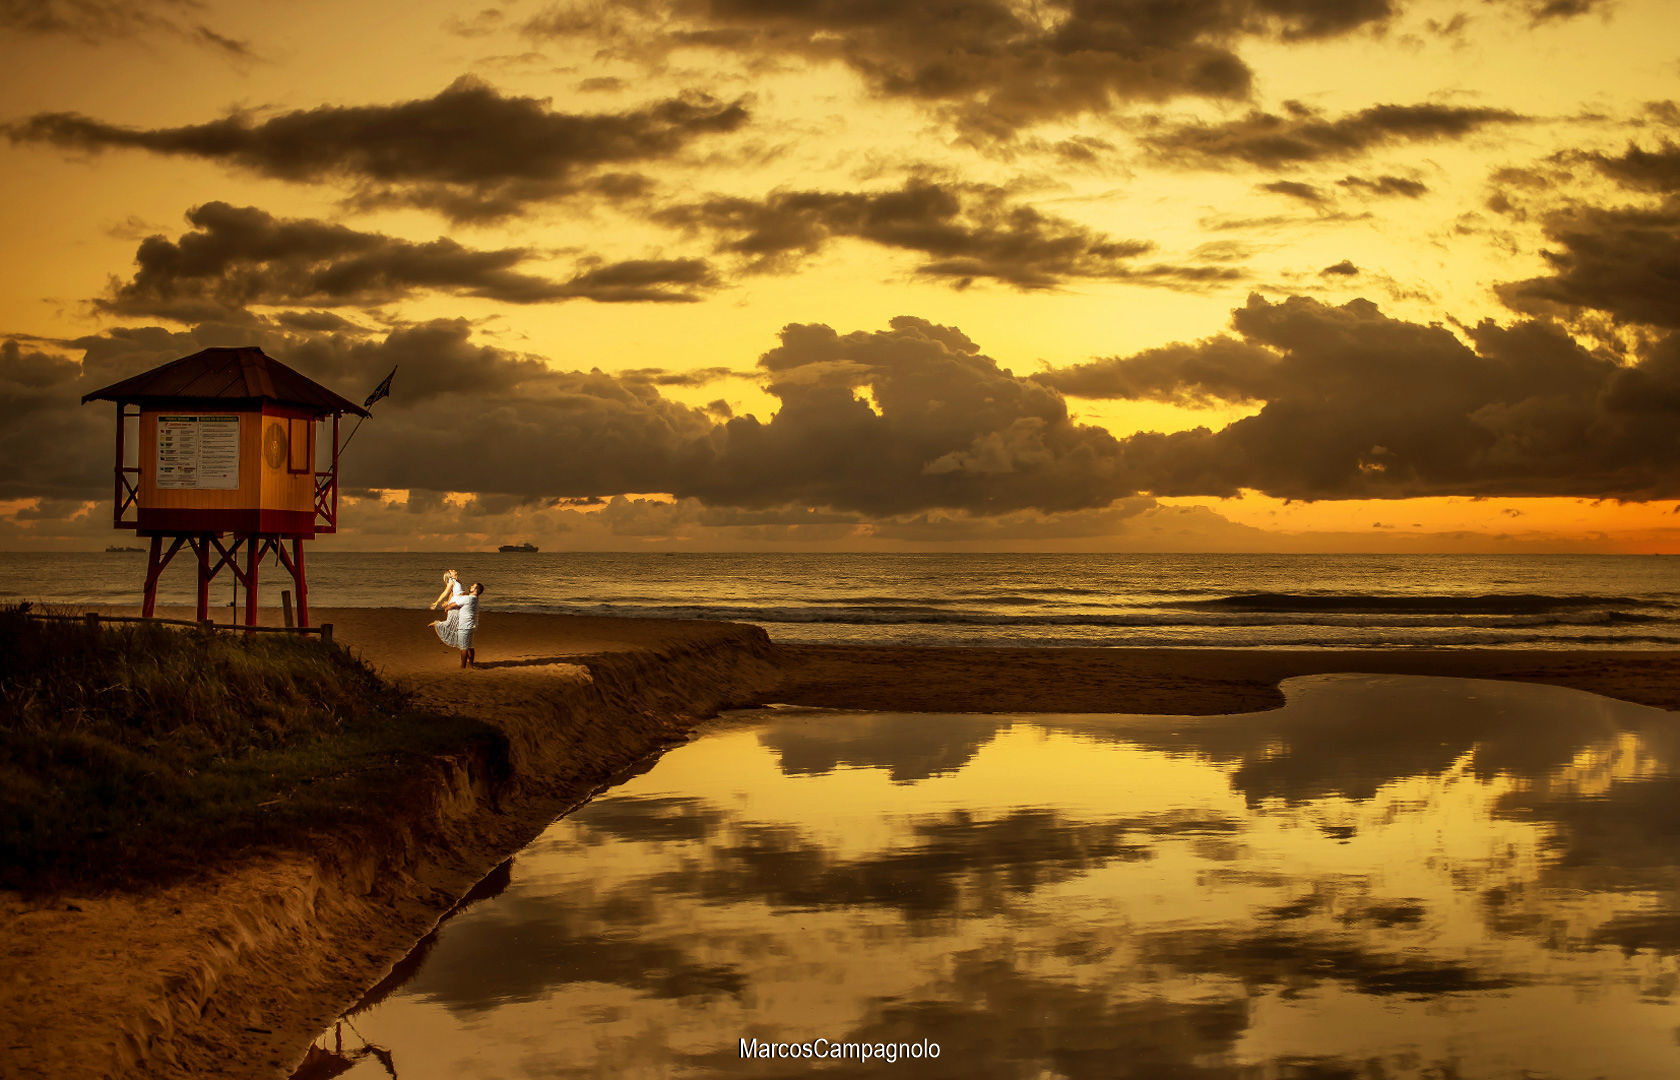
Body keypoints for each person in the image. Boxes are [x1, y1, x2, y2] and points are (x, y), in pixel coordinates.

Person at [431, 582, 484, 668]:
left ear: (475, 590)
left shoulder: (467, 598)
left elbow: (453, 605)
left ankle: (463, 667)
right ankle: (471, 663)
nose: (471, 586)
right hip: (472, 626)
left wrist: (447, 608)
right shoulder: (475, 599)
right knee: (470, 646)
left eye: (473, 586)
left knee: (464, 647)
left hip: (465, 626)